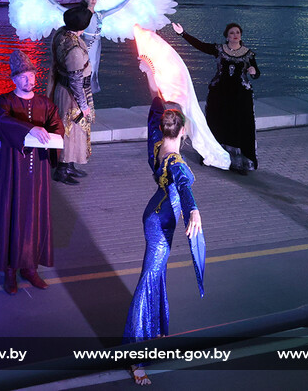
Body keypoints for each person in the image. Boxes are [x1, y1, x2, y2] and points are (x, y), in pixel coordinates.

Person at [123, 58, 204, 386]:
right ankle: (135, 355)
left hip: (155, 215)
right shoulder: (177, 163)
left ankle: (154, 333)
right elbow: (183, 187)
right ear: (182, 130)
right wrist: (194, 210)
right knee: (148, 280)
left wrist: (150, 74)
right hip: (160, 224)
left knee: (156, 277)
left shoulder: (157, 143)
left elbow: (157, 102)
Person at [0, 50, 64, 295]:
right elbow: (3, 122)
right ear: (14, 79)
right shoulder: (4, 102)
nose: (28, 80)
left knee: (35, 214)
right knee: (12, 213)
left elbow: (57, 126)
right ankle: (11, 270)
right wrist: (30, 129)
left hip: (38, 171)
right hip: (13, 169)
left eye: (31, 75)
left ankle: (30, 268)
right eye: (23, 76)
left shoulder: (46, 103)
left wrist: (52, 136)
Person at [171, 21, 260, 174]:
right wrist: (183, 33)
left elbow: (256, 73)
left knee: (239, 127)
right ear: (227, 36)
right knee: (216, 124)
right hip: (219, 95)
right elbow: (200, 45)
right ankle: (213, 157)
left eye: (237, 32)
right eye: (232, 33)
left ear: (241, 36)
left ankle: (238, 163)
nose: (235, 35)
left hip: (240, 97)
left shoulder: (248, 54)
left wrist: (254, 72)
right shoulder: (219, 49)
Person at [47, 5, 94, 184]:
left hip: (63, 88)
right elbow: (75, 81)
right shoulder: (74, 50)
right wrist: (84, 106)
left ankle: (70, 164)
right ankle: (62, 169)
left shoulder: (61, 33)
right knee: (70, 130)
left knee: (75, 131)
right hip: (72, 96)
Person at [79, 0, 140, 94]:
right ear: (86, 0)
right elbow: (62, 10)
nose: (93, 0)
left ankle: (90, 91)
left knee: (95, 65)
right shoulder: (82, 14)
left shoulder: (100, 14)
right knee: (88, 65)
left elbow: (117, 8)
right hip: (88, 43)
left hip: (97, 43)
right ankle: (83, 90)